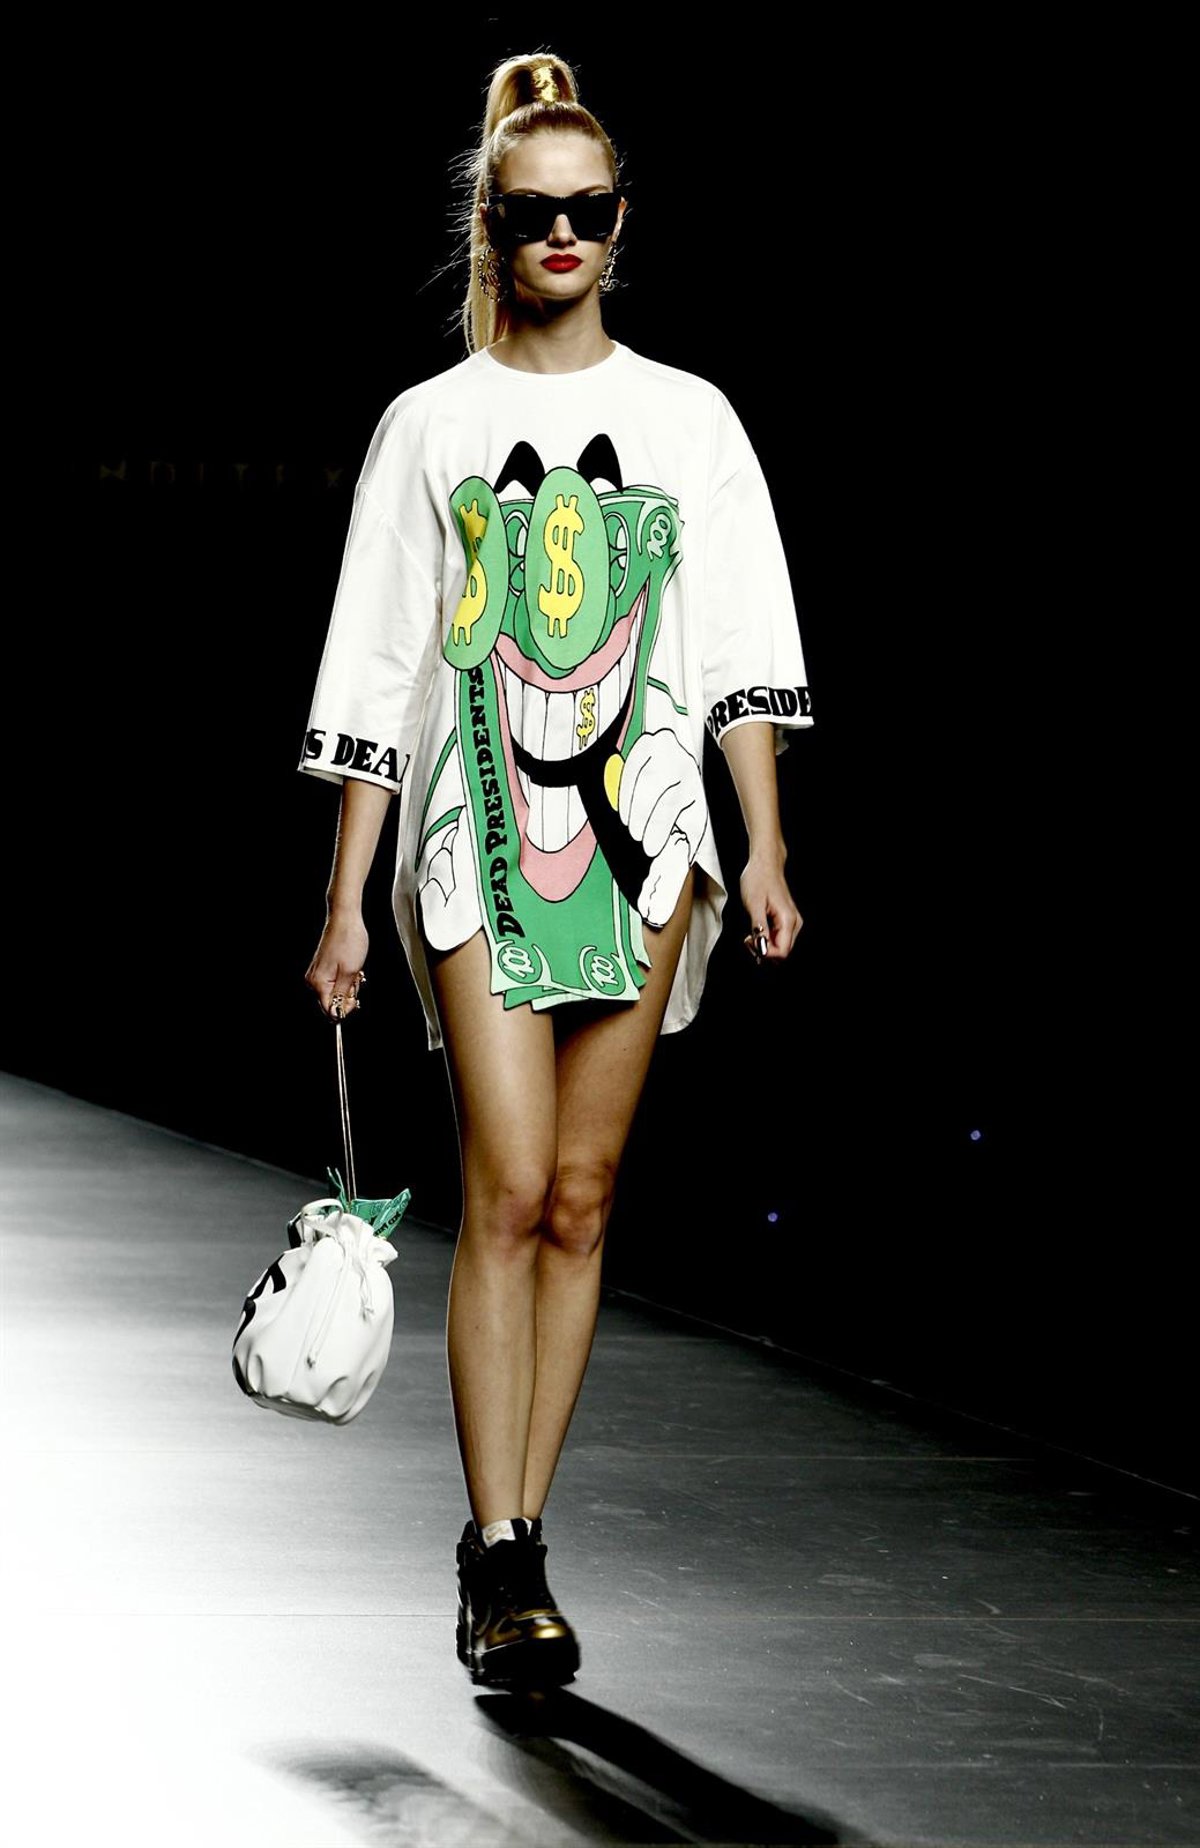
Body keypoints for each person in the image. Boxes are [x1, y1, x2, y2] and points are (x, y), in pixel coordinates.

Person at [299, 51, 814, 1690]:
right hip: (473, 840)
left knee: (584, 1200)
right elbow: (380, 663)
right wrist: (342, 898)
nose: (563, 235)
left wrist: (766, 843)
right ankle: (497, 1542)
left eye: (588, 209)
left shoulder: (690, 420)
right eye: (533, 213)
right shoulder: (432, 425)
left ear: (621, 219)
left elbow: (736, 650)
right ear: (494, 226)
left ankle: (518, 1542)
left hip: (649, 840)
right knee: (509, 1185)